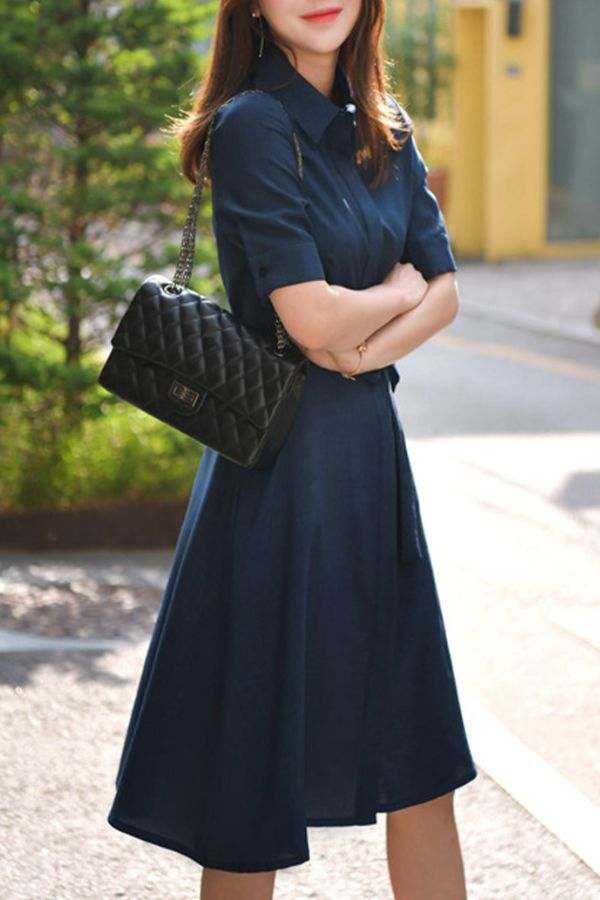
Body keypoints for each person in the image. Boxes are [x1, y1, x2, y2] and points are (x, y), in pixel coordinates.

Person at [106, 1, 479, 897]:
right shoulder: (251, 126)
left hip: (370, 473)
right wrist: (389, 297)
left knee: (421, 764)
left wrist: (359, 338)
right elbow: (310, 320)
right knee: (250, 792)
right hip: (277, 475)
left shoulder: (386, 128)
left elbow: (448, 293)